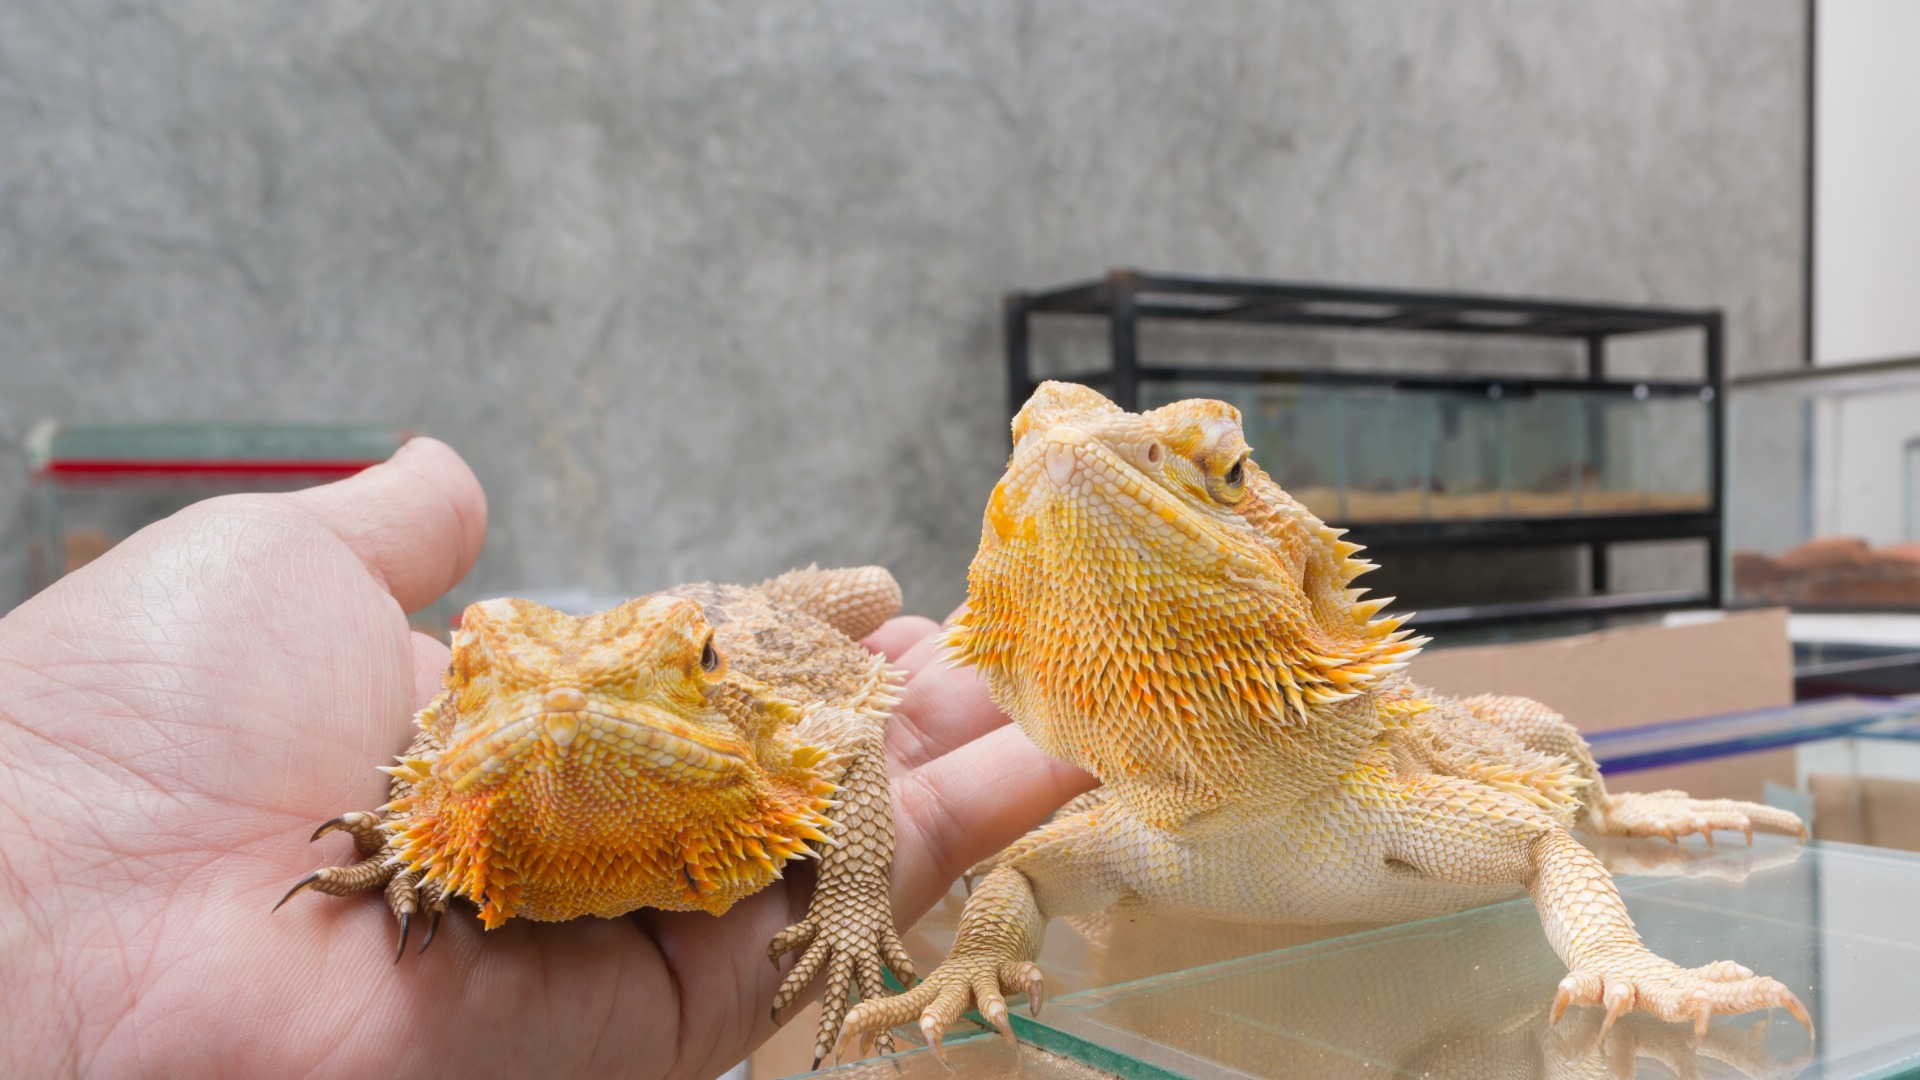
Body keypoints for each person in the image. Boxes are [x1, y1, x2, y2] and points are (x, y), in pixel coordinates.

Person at [0, 439, 1093, 1079]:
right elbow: (435, 766)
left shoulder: (755, 739)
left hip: (742, 628)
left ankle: (690, 640)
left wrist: (856, 904)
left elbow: (856, 749)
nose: (567, 716)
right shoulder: (447, 772)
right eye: (503, 683)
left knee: (880, 597)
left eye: (619, 689)